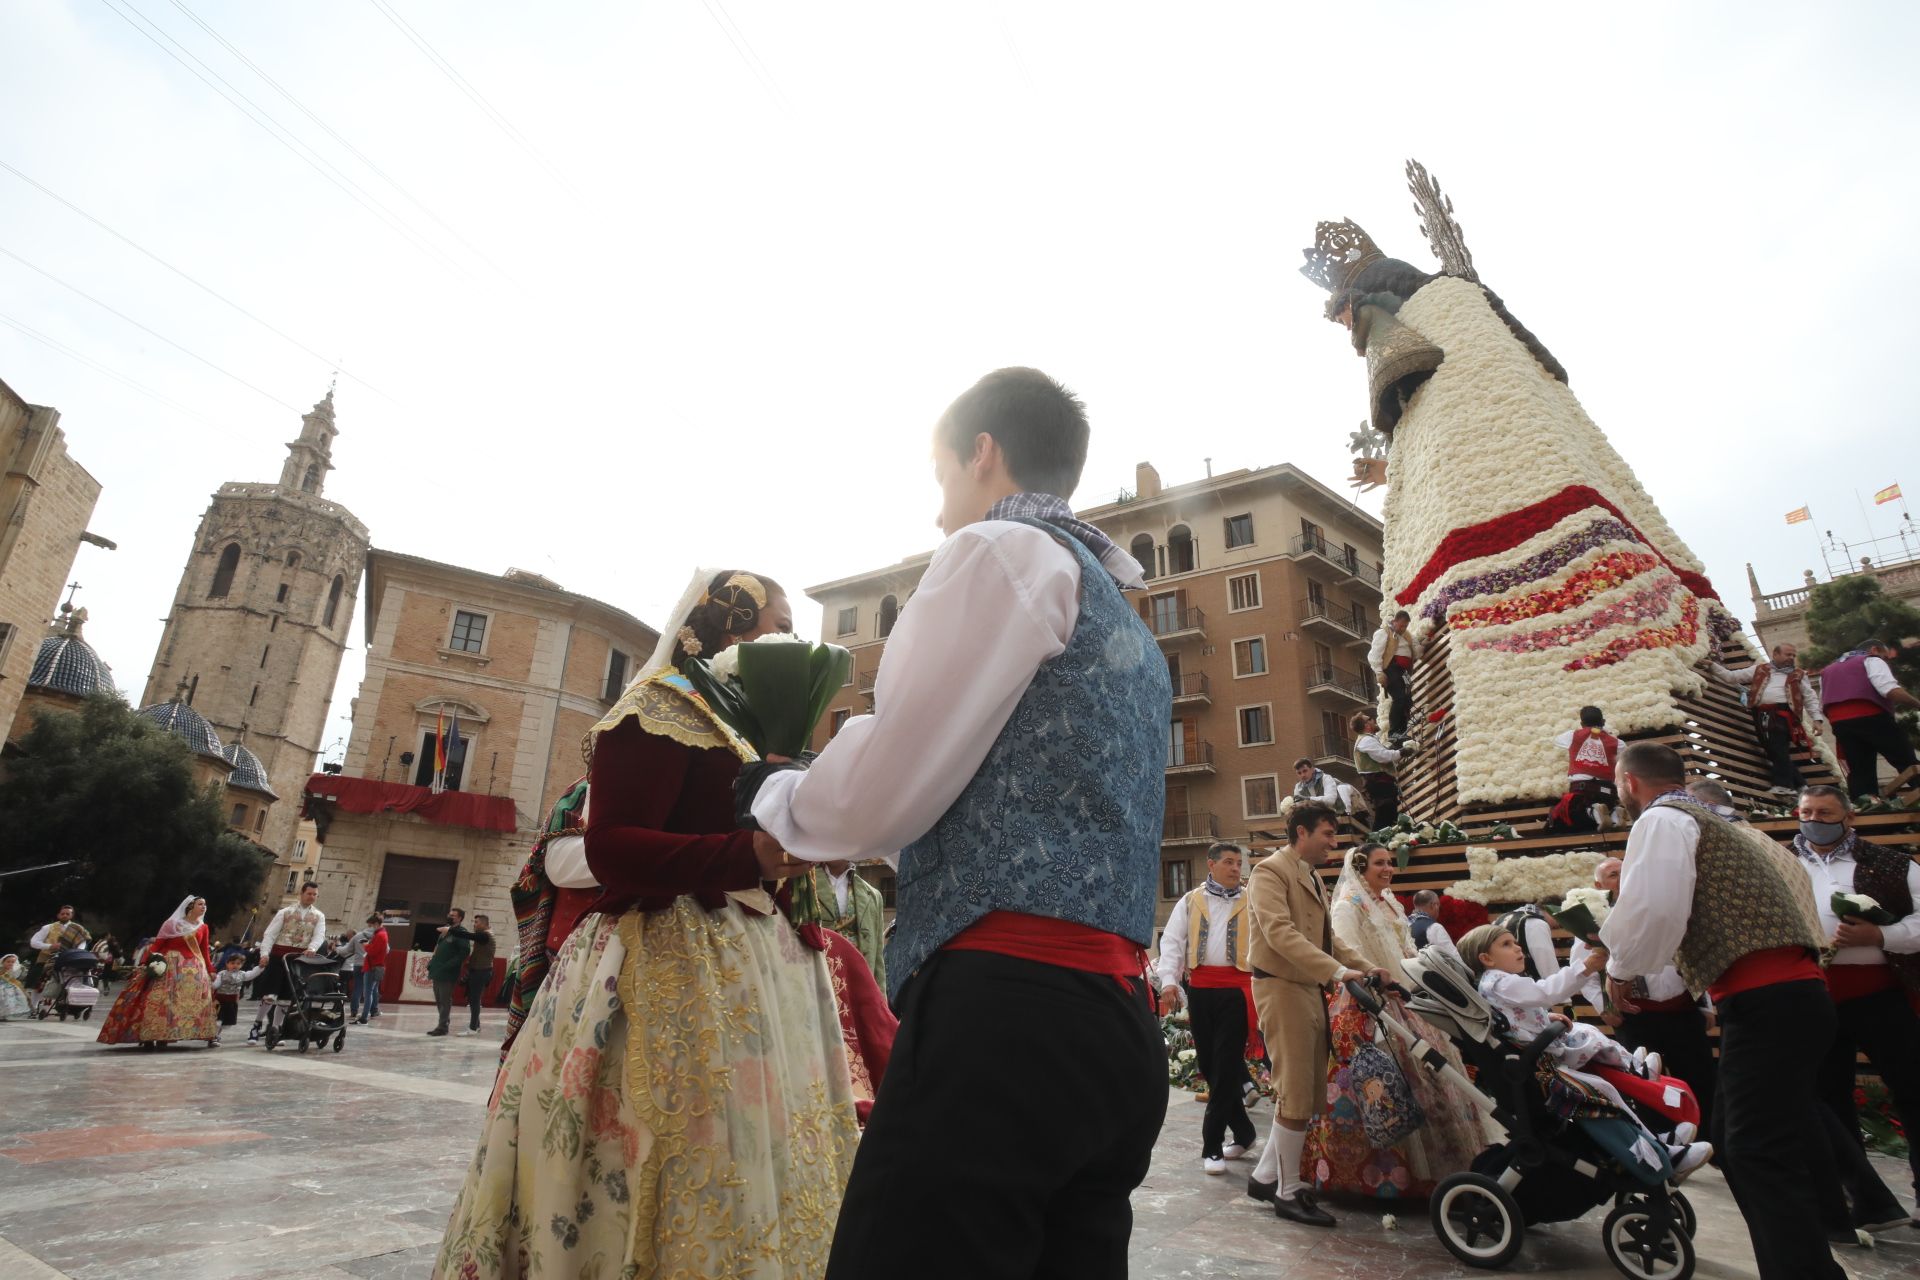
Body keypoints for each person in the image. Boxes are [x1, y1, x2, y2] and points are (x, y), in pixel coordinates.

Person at [744, 368, 1170, 1280]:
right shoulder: (1125, 617)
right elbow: (990, 799)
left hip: (1008, 1019)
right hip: (1117, 1025)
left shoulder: (1002, 552)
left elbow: (894, 776)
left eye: (941, 479)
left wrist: (775, 799)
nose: (941, 514)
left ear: (982, 454)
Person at [435, 568, 866, 1279]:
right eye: (777, 624)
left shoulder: (751, 728)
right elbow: (611, 846)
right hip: (665, 957)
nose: (790, 640)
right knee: (669, 1148)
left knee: (756, 1152)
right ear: (728, 626)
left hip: (758, 965)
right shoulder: (658, 707)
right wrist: (747, 852)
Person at [1599, 741, 1844, 1279]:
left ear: (1629, 782)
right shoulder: (1726, 824)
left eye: (1618, 783)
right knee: (1740, 1142)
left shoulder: (1662, 819)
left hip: (1768, 1000)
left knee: (1757, 1150)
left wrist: (1621, 968)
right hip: (1787, 996)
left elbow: (1654, 910)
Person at [1458, 924, 1711, 1179]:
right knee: (1599, 1072)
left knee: (1603, 1081)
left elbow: (1517, 1013)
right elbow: (1545, 991)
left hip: (1544, 1055)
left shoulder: (1495, 984)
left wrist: (1546, 1016)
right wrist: (1585, 967)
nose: (1517, 947)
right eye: (1506, 944)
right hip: (1545, 1062)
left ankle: (1656, 1139)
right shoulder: (1500, 982)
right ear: (1486, 959)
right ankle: (1652, 1130)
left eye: (1515, 942)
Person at [1306, 843, 1487, 1199]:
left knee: (1431, 1077)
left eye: (1390, 862)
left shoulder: (1389, 902)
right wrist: (1375, 983)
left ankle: (1443, 1171)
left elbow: (1406, 950)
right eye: (1379, 863)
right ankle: (1380, 1179)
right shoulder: (1347, 906)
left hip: (1405, 999)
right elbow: (1343, 951)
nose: (1388, 868)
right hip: (1367, 1003)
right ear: (1361, 868)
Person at [1244, 802, 1388, 1227]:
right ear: (1302, 833)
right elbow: (1280, 933)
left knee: (1303, 1085)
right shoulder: (1270, 872)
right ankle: (1288, 1193)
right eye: (1327, 833)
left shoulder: (1310, 876)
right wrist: (1338, 972)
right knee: (1296, 1091)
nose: (1334, 842)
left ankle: (1266, 1177)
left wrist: (1362, 965)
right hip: (1281, 986)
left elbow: (1328, 940)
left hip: (1305, 987)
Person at [1792, 783, 1920, 1219]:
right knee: (1828, 1099)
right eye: (1807, 812)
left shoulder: (1891, 863)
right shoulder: (1782, 865)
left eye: (1826, 813)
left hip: (1879, 994)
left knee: (1912, 1090)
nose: (1815, 821)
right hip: (1814, 996)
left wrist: (1880, 935)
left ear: (1849, 817)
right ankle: (1860, 1198)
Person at [1569, 859, 1717, 1132]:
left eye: (1626, 872)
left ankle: (1715, 1143)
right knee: (1648, 1087)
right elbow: (1584, 971)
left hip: (1683, 1012)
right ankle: (1664, 1146)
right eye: (1614, 875)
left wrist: (1705, 1003)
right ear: (1599, 886)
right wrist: (1605, 1005)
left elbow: (1697, 955)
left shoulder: (1663, 907)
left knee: (1702, 1079)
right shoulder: (1593, 920)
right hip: (1635, 1017)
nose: (1622, 878)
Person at [1155, 842, 1259, 1175]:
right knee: (1210, 1064)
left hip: (1237, 990)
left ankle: (1211, 1145)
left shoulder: (1252, 900)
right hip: (1199, 989)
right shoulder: (1190, 901)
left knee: (1226, 1065)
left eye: (1238, 863)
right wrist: (1169, 981)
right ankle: (1244, 1133)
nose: (1235, 868)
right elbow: (1172, 942)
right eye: (1228, 862)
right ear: (1211, 865)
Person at [97, 895, 219, 1049]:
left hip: (194, 971)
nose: (204, 907)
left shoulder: (203, 927)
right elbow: (158, 945)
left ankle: (166, 1037)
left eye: (205, 904)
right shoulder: (172, 924)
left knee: (183, 1004)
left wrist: (211, 969)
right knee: (160, 1001)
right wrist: (144, 963)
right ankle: (149, 1036)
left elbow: (204, 951)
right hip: (169, 967)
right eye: (200, 904)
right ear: (190, 907)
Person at [1819, 639, 1920, 800]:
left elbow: (1823, 703)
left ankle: (1866, 807)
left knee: (1860, 771)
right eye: (1885, 657)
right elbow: (1889, 689)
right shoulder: (1872, 660)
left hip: (1841, 724)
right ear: (1875, 649)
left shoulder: (1827, 671)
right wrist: (1917, 703)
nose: (1885, 661)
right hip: (1872, 717)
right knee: (1905, 759)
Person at [791, 861, 888, 993]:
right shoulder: (801, 885)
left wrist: (881, 1005)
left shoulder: (873, 895)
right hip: (817, 985)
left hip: (859, 988)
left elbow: (878, 963)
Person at [249, 882, 325, 1043]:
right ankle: (257, 1024)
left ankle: (277, 1029)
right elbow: (270, 934)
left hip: (298, 960)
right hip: (278, 957)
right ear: (301, 894)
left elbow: (319, 935)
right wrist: (264, 953)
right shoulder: (285, 912)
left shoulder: (319, 916)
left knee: (286, 998)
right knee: (269, 995)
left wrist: (312, 948)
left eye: (315, 894)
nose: (312, 897)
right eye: (309, 893)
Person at [1749, 643, 1815, 794]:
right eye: (1788, 654)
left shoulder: (1799, 674)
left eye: (1793, 655)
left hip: (1782, 714)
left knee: (1778, 747)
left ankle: (1784, 785)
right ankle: (1801, 784)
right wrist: (1713, 666)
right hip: (1760, 714)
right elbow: (1732, 676)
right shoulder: (1760, 669)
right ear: (1775, 654)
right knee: (1772, 749)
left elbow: (1810, 697)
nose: (1791, 658)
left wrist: (1817, 719)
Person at [1549, 705, 1621, 833]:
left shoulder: (1572, 736)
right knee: (1607, 806)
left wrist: (1588, 734)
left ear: (1582, 723)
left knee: (1566, 814)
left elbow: (1556, 740)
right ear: (1603, 722)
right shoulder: (1618, 743)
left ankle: (1593, 812)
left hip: (1583, 790)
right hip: (1609, 792)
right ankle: (1614, 814)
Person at [1350, 711, 1411, 828]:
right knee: (1385, 816)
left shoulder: (1367, 740)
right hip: (1380, 784)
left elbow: (1383, 757)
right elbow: (1383, 756)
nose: (1373, 720)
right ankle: (1378, 842)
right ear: (1366, 725)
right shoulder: (1366, 740)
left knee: (1389, 815)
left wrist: (1394, 750)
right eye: (1370, 719)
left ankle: (1384, 841)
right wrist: (1401, 752)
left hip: (1379, 784)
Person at [1367, 610, 1420, 737]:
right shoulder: (1383, 633)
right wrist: (1379, 672)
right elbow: (1374, 654)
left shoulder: (1406, 635)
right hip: (1391, 669)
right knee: (1399, 698)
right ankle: (1394, 733)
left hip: (1403, 672)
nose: (1403, 628)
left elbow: (1416, 646)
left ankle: (1402, 731)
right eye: (1401, 625)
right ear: (1394, 621)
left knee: (1407, 700)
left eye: (1405, 626)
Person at [425, 909, 473, 1038]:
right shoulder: (445, 931)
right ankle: (444, 1023)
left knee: (445, 1000)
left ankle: (442, 1027)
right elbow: (438, 947)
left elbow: (464, 952)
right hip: (437, 970)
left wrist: (449, 965)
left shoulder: (461, 933)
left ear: (460, 918)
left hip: (448, 972)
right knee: (439, 1000)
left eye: (453, 916)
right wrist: (432, 961)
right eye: (449, 915)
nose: (450, 917)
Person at [28, 904, 90, 992]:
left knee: (70, 982)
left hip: (69, 959)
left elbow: (82, 943)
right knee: (39, 985)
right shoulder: (48, 927)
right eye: (63, 913)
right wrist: (49, 946)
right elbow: (33, 942)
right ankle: (35, 1005)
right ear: (58, 915)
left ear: (71, 916)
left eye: (67, 914)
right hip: (47, 958)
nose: (65, 915)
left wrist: (76, 953)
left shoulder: (78, 928)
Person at [208, 952, 264, 1045]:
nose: (235, 965)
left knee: (226, 1023)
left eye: (238, 964)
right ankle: (213, 1038)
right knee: (218, 1021)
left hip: (232, 1002)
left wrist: (260, 968)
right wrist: (211, 983)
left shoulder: (242, 974)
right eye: (232, 963)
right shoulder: (222, 974)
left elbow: (252, 974)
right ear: (227, 964)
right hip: (220, 1002)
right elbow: (216, 985)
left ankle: (216, 1035)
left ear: (242, 965)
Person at [1291, 757, 1362, 821]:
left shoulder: (1325, 778)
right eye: (1299, 773)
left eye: (1305, 771)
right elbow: (1299, 806)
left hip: (1349, 812)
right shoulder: (1298, 787)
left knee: (1342, 788)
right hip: (1324, 817)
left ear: (1312, 769)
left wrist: (1309, 798)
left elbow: (1330, 800)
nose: (1302, 775)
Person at [459, 914, 495, 1036]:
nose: (474, 924)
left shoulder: (485, 935)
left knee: (474, 1000)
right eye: (474, 922)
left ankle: (473, 1028)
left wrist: (450, 930)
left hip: (481, 971)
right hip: (479, 970)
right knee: (473, 999)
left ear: (484, 924)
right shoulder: (485, 935)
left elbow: (468, 935)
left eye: (477, 922)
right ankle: (477, 1026)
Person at [355, 914, 389, 1024]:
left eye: (370, 925)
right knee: (370, 991)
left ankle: (364, 1016)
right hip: (374, 966)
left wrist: (366, 945)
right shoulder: (381, 934)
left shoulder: (380, 935)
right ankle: (367, 1014)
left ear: (376, 924)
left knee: (368, 992)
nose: (370, 928)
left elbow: (373, 951)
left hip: (373, 967)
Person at [1405, 889, 1455, 956]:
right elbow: (1454, 957)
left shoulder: (1404, 924)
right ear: (1433, 905)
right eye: (1438, 905)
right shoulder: (1435, 927)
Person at [0, 953, 29, 1020]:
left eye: (12, 962)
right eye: (8, 962)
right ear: (3, 962)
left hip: (10, 987)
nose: (10, 963)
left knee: (11, 1000)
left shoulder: (13, 971)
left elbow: (14, 980)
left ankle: (7, 1014)